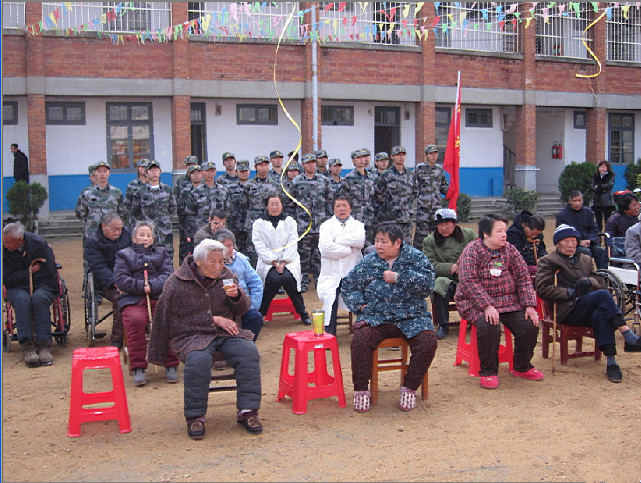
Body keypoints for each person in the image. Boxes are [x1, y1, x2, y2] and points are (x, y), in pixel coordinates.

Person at [148, 239, 262, 440]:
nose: (219, 267)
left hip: (225, 334)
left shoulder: (226, 276)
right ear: (198, 261)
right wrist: (212, 319)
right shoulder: (176, 283)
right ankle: (195, 417)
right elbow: (167, 319)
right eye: (213, 262)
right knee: (198, 361)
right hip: (190, 336)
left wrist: (237, 297)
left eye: (222, 261)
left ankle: (248, 411)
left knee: (248, 352)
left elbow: (243, 308)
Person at [341, 222, 437, 413]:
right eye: (376, 241)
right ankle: (361, 390)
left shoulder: (415, 258)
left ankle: (409, 387)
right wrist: (360, 305)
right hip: (378, 317)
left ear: (397, 243)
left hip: (411, 316)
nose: (378, 246)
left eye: (383, 242)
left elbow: (428, 284)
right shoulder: (369, 261)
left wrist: (399, 277)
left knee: (428, 341)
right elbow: (348, 286)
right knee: (360, 341)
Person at [536, 224, 641, 383]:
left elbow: (599, 281)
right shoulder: (548, 261)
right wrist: (570, 292)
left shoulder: (585, 259)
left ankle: (611, 362)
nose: (571, 245)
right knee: (602, 296)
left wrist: (588, 281)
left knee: (600, 314)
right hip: (567, 309)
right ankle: (628, 335)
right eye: (566, 241)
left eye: (573, 240)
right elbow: (542, 289)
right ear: (558, 243)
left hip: (588, 305)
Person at [455, 214, 543, 390]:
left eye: (505, 231)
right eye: (499, 231)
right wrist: (486, 306)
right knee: (489, 325)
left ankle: (522, 366)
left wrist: (529, 305)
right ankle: (488, 371)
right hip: (474, 301)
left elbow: (523, 277)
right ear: (486, 234)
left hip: (508, 301)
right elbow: (468, 282)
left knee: (530, 324)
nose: (504, 235)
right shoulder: (472, 251)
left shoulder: (510, 250)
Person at [113, 221, 176, 386]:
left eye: (148, 235)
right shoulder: (123, 254)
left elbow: (168, 275)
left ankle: (171, 363)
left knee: (167, 317)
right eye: (141, 235)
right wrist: (141, 286)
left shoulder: (162, 253)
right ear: (134, 238)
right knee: (135, 320)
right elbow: (121, 279)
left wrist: (153, 286)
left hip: (158, 297)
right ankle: (138, 366)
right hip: (133, 298)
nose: (145, 238)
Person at [3, 223, 58, 367]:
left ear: (20, 240)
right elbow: (5, 277)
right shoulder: (3, 250)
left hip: (43, 284)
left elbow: (50, 271)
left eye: (8, 242)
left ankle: (44, 344)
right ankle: (27, 345)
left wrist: (34, 276)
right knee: (22, 300)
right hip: (17, 287)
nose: (5, 244)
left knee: (38, 299)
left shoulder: (39, 244)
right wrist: (28, 272)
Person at [252, 194, 312, 326]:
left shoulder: (290, 222)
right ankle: (260, 314)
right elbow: (259, 245)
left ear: (282, 205)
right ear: (267, 206)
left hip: (289, 261)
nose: (275, 207)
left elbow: (292, 242)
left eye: (277, 204)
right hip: (267, 262)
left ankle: (302, 312)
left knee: (289, 279)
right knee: (273, 280)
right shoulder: (258, 223)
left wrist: (284, 262)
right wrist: (273, 262)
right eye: (271, 204)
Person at [422, 208, 475, 339]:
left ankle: (476, 321)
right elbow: (429, 264)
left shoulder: (468, 235)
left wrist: (464, 265)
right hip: (446, 278)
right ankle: (443, 324)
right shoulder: (429, 241)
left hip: (468, 275)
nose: (444, 228)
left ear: (454, 223)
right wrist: (451, 267)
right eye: (440, 224)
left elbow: (478, 253)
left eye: (447, 224)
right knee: (439, 285)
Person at [317, 195, 366, 336]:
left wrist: (337, 240)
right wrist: (347, 249)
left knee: (360, 296)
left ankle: (362, 332)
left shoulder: (358, 225)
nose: (341, 209)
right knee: (330, 296)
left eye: (344, 205)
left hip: (353, 272)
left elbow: (360, 241)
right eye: (338, 206)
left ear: (350, 207)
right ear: (333, 208)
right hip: (331, 274)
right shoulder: (326, 225)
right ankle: (329, 334)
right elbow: (325, 249)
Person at [84, 213, 132, 349]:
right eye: (114, 229)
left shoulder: (127, 236)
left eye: (120, 229)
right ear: (103, 226)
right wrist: (116, 282)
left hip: (129, 278)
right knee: (120, 298)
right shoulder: (93, 242)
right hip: (106, 283)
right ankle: (117, 339)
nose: (118, 232)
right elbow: (99, 267)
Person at [212, 228, 264, 341]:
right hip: (220, 310)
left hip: (242, 306)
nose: (228, 249)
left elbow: (256, 283)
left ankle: (246, 346)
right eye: (223, 246)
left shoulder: (241, 259)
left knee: (256, 318)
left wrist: (252, 306)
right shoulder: (210, 263)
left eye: (230, 245)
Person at [291, 152, 333, 292]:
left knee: (319, 255)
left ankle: (319, 280)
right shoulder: (296, 181)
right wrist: (294, 221)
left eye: (313, 162)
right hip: (303, 225)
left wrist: (327, 221)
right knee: (303, 254)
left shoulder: (324, 180)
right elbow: (290, 203)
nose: (311, 165)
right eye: (308, 162)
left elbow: (329, 202)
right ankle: (302, 280)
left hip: (320, 224)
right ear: (303, 165)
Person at [129, 160, 177, 259]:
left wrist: (164, 220)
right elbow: (135, 211)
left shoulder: (167, 190)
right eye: (151, 170)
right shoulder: (140, 192)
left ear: (160, 172)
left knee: (167, 258)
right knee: (146, 259)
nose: (154, 173)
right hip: (147, 234)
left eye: (156, 170)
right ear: (146, 173)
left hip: (165, 232)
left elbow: (172, 208)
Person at [372, 146, 416, 243]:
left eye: (403, 155)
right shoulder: (386, 175)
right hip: (391, 219)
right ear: (392, 157)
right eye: (398, 155)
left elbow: (414, 193)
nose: (401, 157)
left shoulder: (411, 174)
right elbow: (378, 195)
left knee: (407, 246)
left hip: (406, 218)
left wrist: (408, 207)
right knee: (391, 245)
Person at [243, 156, 281, 267]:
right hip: (253, 222)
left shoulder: (275, 185)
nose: (264, 167)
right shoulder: (249, 185)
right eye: (261, 165)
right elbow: (244, 204)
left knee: (271, 248)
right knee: (253, 250)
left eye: (266, 165)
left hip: (270, 222)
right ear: (255, 167)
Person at [556, 190, 608, 269]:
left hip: (588, 242)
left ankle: (603, 275)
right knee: (585, 252)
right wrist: (578, 242)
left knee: (600, 251)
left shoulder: (588, 212)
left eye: (579, 200)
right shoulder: (562, 215)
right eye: (574, 201)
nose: (577, 203)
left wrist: (589, 240)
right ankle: (588, 274)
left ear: (582, 200)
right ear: (569, 201)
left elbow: (593, 228)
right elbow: (563, 233)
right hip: (573, 244)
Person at [75, 161, 126, 240]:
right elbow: (81, 213)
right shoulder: (87, 193)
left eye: (105, 171)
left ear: (109, 173)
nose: (102, 174)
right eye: (99, 171)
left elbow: (122, 213)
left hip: (112, 234)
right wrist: (92, 222)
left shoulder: (117, 192)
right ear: (94, 174)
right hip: (92, 233)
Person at [413, 144, 449, 249]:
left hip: (436, 208)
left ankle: (434, 256)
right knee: (421, 236)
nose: (433, 156)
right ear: (426, 155)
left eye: (435, 154)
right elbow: (413, 185)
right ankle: (418, 258)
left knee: (437, 235)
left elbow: (443, 186)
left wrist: (452, 191)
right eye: (431, 154)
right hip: (423, 208)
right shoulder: (419, 168)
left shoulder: (439, 169)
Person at [337, 149, 376, 244]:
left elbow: (377, 197)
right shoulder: (348, 178)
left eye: (363, 157)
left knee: (370, 247)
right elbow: (342, 199)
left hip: (371, 218)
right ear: (353, 161)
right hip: (355, 218)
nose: (361, 160)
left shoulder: (373, 177)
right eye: (358, 158)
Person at [506, 210, 547, 274]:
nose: (534, 236)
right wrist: (533, 261)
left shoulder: (538, 235)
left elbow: (542, 248)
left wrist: (542, 257)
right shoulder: (513, 234)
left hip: (536, 264)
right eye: (532, 233)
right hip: (520, 265)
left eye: (537, 234)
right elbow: (515, 254)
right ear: (525, 226)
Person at [176, 163, 203, 262]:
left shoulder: (207, 190)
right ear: (190, 175)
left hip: (204, 227)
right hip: (189, 227)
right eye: (193, 173)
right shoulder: (185, 192)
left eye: (198, 173)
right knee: (187, 253)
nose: (196, 175)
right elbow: (180, 210)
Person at [225, 159, 251, 254]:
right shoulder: (229, 188)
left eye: (246, 171)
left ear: (249, 171)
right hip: (235, 225)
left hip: (250, 224)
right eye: (241, 171)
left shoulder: (253, 186)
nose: (244, 173)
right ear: (236, 172)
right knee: (236, 251)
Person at [590, 160, 615, 232]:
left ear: (607, 168)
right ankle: (598, 239)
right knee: (598, 221)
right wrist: (601, 188)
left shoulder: (611, 175)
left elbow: (609, 186)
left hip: (607, 202)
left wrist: (599, 187)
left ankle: (607, 239)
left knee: (607, 221)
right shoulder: (596, 176)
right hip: (597, 201)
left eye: (603, 167)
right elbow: (592, 186)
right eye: (600, 167)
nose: (602, 169)